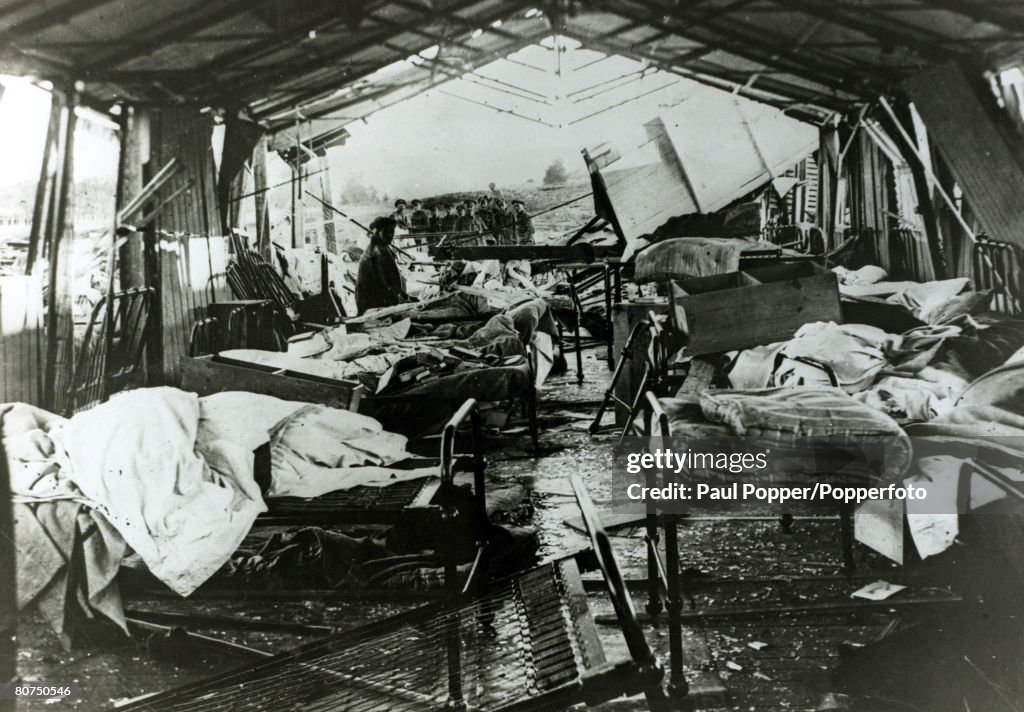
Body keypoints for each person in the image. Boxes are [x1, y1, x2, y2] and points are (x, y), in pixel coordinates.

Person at [355, 216, 410, 315]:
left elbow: (391, 277)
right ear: (377, 232)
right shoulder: (374, 254)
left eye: (392, 232)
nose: (390, 235)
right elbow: (380, 284)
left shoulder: (384, 247)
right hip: (374, 305)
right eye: (386, 232)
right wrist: (397, 299)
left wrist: (402, 293)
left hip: (385, 299)